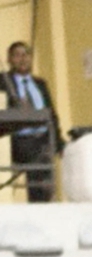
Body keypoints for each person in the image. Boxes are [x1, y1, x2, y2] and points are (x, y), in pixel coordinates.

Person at [1, 42, 63, 202]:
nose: (22, 59)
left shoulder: (40, 84)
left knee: (48, 153)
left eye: (26, 54)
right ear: (9, 60)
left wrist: (59, 142)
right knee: (39, 156)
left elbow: (51, 115)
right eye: (17, 55)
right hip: (17, 141)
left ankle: (42, 205)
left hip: (42, 140)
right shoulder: (4, 82)